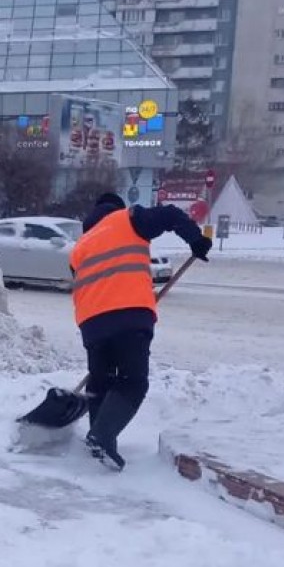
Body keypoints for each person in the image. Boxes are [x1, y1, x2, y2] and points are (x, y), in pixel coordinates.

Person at [69, 192, 213, 469]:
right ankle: (102, 435)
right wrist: (196, 239)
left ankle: (96, 438)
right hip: (129, 315)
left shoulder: (79, 246)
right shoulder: (127, 219)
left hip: (91, 324)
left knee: (101, 380)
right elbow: (171, 215)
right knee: (134, 381)